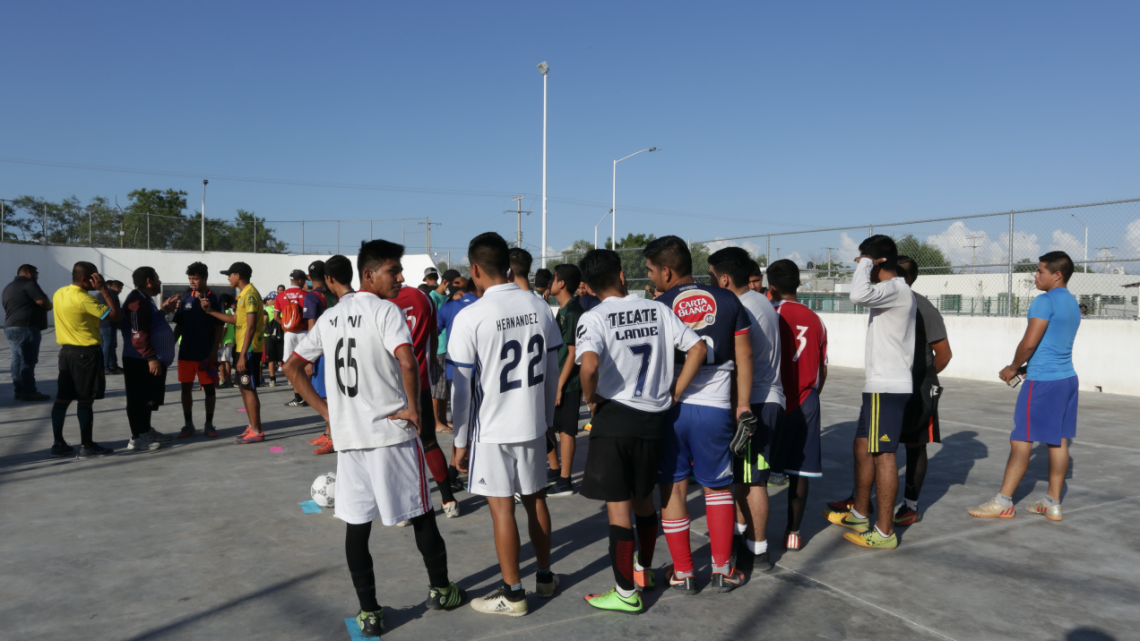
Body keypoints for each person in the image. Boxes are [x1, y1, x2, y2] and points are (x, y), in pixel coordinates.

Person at [284, 240, 467, 638]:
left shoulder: (330, 317)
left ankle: (369, 612)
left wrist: (327, 412)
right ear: (368, 275)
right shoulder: (385, 311)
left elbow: (292, 366)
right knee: (422, 513)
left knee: (357, 525)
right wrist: (414, 409)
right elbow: (406, 361)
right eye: (393, 270)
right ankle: (441, 590)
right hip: (390, 433)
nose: (400, 277)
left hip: (351, 438)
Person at [575, 249, 706, 613]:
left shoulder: (593, 317)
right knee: (643, 501)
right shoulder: (658, 309)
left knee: (618, 512)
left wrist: (591, 398)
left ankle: (624, 593)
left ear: (589, 286)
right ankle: (643, 571)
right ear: (621, 275)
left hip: (615, 420)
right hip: (653, 420)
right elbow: (698, 348)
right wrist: (675, 390)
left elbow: (589, 366)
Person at [449, 232, 562, 616]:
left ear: (475, 269)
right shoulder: (539, 306)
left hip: (492, 429)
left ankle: (513, 595)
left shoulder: (471, 316)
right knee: (536, 500)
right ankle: (544, 577)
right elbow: (551, 371)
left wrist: (460, 441)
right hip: (532, 422)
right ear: (509, 266)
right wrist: (547, 423)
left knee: (502, 510)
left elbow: (461, 389)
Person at [644, 236, 753, 593]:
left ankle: (684, 573)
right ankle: (722, 570)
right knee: (718, 487)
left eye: (651, 270)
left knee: (673, 488)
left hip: (671, 408)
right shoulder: (729, 299)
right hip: (716, 408)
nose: (650, 277)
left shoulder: (658, 306)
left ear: (667, 271)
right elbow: (745, 355)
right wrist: (743, 404)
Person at [970, 252, 1081, 522]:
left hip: (1043, 382)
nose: (1035, 275)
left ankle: (1003, 502)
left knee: (1021, 439)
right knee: (1058, 440)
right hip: (1067, 379)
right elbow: (1052, 344)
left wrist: (1012, 367)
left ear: (1057, 275)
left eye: (1041, 271)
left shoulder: (1044, 301)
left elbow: (1030, 343)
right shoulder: (1072, 302)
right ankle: (1053, 503)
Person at [823, 235, 915, 551]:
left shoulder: (896, 288)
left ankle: (884, 532)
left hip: (887, 387)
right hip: (878, 386)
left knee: (884, 456)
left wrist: (864, 262)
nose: (862, 268)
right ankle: (860, 514)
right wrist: (867, 262)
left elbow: (857, 294)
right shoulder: (890, 291)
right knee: (862, 446)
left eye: (865, 261)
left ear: (877, 261)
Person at [707, 248, 784, 572]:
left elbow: (742, 358)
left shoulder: (742, 308)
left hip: (756, 403)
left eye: (711, 276)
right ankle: (742, 537)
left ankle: (759, 551)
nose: (709, 283)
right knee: (745, 477)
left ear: (724, 278)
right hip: (762, 400)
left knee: (754, 481)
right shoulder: (758, 300)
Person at [765, 259, 828, 551]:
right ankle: (794, 533)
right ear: (798, 284)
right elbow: (823, 369)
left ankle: (753, 533)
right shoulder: (816, 319)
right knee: (800, 471)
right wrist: (811, 396)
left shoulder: (768, 314)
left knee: (759, 471)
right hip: (807, 401)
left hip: (774, 399)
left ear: (771, 287)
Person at [389, 269, 460, 517]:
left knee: (395, 447)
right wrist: (427, 369)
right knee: (429, 441)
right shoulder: (422, 297)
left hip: (389, 385)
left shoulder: (376, 302)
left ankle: (404, 508)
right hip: (419, 381)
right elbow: (432, 336)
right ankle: (448, 500)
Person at [893, 256, 952, 526]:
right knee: (873, 445)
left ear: (903, 279)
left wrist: (922, 378)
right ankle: (860, 500)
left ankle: (910, 506)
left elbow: (944, 354)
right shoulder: (885, 303)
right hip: (888, 387)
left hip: (918, 390)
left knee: (915, 445)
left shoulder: (923, 308)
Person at [49, 261, 123, 457]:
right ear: (85, 279)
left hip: (66, 353)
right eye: (94, 277)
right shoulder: (84, 299)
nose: (98, 280)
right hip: (86, 353)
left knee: (62, 398)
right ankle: (87, 446)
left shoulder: (59, 293)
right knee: (85, 399)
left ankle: (58, 443)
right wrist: (104, 290)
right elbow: (116, 316)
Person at [202, 262, 265, 444]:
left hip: (249, 349)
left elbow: (251, 326)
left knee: (249, 389)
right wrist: (210, 311)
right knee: (244, 388)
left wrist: (243, 354)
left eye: (229, 275)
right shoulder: (243, 295)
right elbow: (236, 319)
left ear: (238, 275)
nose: (228, 278)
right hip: (242, 348)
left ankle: (257, 430)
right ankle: (252, 425)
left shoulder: (250, 295)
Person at [121, 267, 177, 450]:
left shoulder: (146, 300)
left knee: (148, 398)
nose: (160, 282)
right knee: (138, 399)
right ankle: (137, 437)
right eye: (157, 278)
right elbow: (138, 332)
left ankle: (145, 430)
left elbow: (150, 321)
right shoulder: (136, 302)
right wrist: (151, 357)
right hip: (139, 360)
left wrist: (165, 310)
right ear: (148, 281)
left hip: (148, 359)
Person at [168, 262, 224, 438]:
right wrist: (170, 344)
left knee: (209, 389)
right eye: (190, 278)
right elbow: (179, 325)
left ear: (205, 278)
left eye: (196, 278)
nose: (192, 281)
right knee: (185, 388)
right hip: (186, 352)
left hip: (205, 354)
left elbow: (220, 327)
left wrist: (214, 351)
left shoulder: (215, 299)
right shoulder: (185, 299)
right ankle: (188, 424)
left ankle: (209, 424)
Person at [546, 264, 585, 497]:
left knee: (567, 431)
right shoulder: (563, 310)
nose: (550, 282)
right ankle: (555, 470)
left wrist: (559, 386)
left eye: (553, 278)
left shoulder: (573, 312)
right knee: (550, 426)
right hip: (557, 378)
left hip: (568, 383)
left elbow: (573, 353)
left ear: (561, 283)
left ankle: (565, 481)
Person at [3, 264, 52, 401]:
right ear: (29, 272)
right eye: (36, 273)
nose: (37, 276)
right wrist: (50, 305)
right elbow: (42, 301)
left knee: (17, 359)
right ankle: (29, 391)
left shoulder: (9, 287)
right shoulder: (29, 284)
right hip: (26, 328)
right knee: (28, 361)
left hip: (11, 327)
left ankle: (19, 390)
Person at [277, 269, 310, 406]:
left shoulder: (281, 295)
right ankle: (307, 396)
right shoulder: (306, 295)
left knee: (291, 366)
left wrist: (287, 326)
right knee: (306, 365)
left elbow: (276, 317)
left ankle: (297, 397)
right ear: (301, 281)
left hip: (289, 334)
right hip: (304, 332)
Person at [94, 280, 124, 375]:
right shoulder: (112, 294)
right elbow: (115, 310)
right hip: (109, 324)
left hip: (102, 324)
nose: (120, 291)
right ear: (116, 286)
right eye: (120, 289)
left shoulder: (101, 294)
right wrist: (119, 321)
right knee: (108, 346)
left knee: (109, 346)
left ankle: (112, 365)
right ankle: (105, 367)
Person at [262, 296, 284, 387]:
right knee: (282, 357)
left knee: (271, 359)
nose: (267, 301)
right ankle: (289, 379)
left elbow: (264, 322)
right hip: (281, 335)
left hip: (269, 336)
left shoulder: (266, 309)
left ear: (274, 300)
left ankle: (272, 380)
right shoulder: (281, 309)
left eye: (269, 299)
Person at [217, 294, 237, 388]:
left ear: (224, 303)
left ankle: (225, 380)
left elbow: (224, 328)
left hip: (225, 341)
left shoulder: (225, 312)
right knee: (223, 361)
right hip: (227, 341)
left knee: (224, 361)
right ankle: (225, 379)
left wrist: (219, 341)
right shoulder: (228, 312)